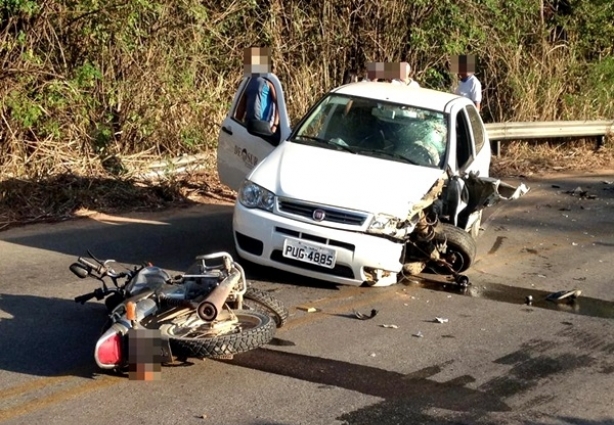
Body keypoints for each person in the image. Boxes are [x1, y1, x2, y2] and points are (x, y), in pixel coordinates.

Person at [235, 47, 280, 138]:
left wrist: (274, 126)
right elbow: (241, 107)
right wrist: (236, 125)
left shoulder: (269, 81)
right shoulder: (247, 81)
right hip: (249, 126)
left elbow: (278, 104)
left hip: (264, 127)